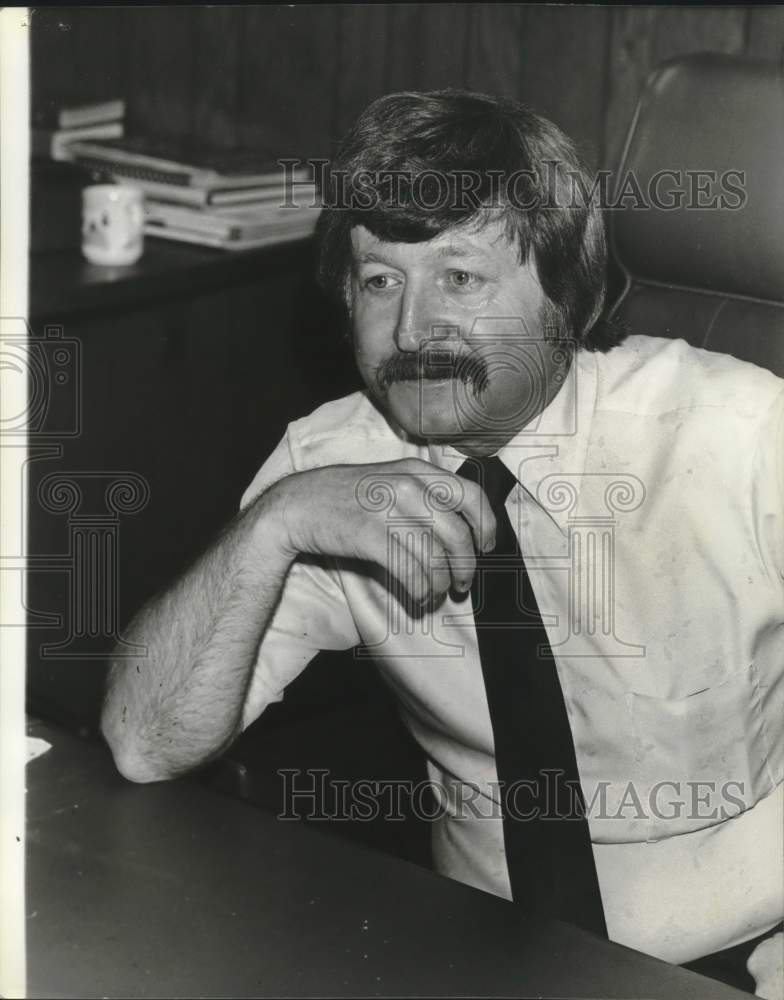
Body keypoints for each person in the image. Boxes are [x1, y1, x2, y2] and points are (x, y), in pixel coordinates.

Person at [101, 90, 783, 995]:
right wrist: (271, 529)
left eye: (460, 278)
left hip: (748, 950)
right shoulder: (330, 465)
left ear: (566, 297)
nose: (412, 330)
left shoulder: (739, 430)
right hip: (474, 953)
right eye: (381, 280)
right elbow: (145, 745)